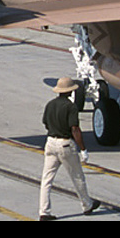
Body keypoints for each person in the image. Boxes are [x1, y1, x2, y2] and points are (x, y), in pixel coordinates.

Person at [39, 76, 100, 220]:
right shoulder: (70, 106)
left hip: (50, 142)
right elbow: (75, 129)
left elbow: (45, 123)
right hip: (65, 144)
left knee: (46, 179)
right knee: (77, 176)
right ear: (70, 92)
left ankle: (44, 212)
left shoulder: (50, 104)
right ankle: (87, 205)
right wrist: (83, 149)